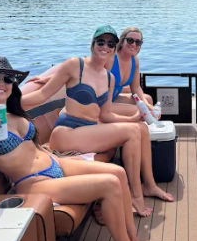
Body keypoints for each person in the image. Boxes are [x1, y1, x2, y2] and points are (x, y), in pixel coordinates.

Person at [0, 57, 145, 241]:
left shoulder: (12, 112)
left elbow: (34, 146)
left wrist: (60, 157)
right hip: (33, 182)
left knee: (118, 172)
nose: (1, 83)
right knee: (110, 184)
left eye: (7, 79)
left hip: (55, 162)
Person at [21, 25, 173, 218]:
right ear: (93, 44)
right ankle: (136, 196)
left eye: (110, 43)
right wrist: (10, 99)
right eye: (101, 42)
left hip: (89, 129)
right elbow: (43, 93)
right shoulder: (75, 65)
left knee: (139, 128)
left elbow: (107, 115)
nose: (106, 47)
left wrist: (134, 117)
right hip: (66, 132)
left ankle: (148, 186)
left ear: (114, 47)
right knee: (133, 132)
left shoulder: (108, 78)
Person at [105, 27, 155, 116]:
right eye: (130, 40)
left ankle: (149, 128)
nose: (134, 44)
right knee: (139, 111)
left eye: (138, 42)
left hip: (114, 98)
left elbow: (135, 88)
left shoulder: (134, 61)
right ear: (122, 41)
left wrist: (146, 104)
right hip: (101, 103)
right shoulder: (110, 59)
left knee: (148, 100)